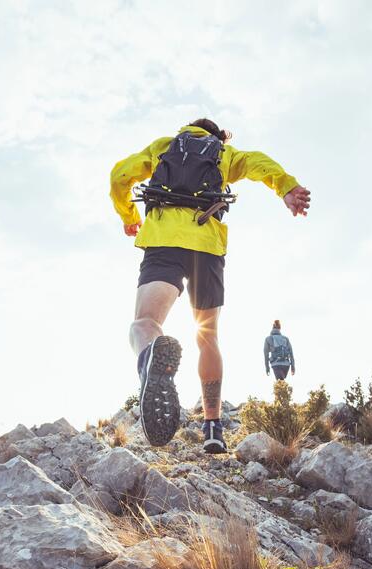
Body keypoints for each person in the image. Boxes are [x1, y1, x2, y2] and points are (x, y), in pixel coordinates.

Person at [110, 118, 310, 452]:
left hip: (164, 241)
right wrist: (287, 188)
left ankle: (149, 359)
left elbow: (119, 175)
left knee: (146, 323)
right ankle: (213, 427)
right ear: (217, 136)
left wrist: (129, 216)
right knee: (207, 336)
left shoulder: (163, 147)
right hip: (207, 246)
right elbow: (259, 162)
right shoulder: (224, 154)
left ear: (186, 130)